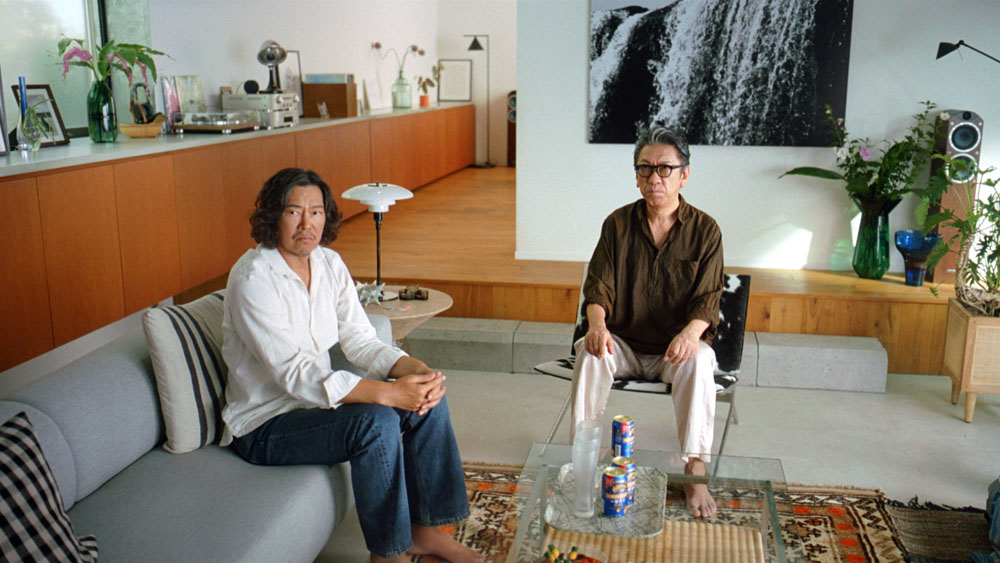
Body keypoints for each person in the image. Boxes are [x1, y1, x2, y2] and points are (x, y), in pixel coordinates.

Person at [220, 168, 483, 563]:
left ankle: (424, 532)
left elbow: (361, 339)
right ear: (273, 215)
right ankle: (387, 553)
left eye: (316, 212)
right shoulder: (253, 278)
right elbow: (296, 374)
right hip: (265, 424)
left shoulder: (328, 263)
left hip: (315, 408)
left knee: (427, 399)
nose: (307, 224)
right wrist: (388, 394)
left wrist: (415, 370)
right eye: (293, 212)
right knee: (375, 421)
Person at [570, 126, 724, 518]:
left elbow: (708, 300)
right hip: (624, 344)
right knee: (590, 353)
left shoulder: (706, 231)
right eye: (645, 168)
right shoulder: (617, 224)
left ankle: (695, 471)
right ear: (636, 176)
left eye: (665, 169)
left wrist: (690, 333)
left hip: (673, 351)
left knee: (701, 359)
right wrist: (597, 326)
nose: (655, 177)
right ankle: (585, 460)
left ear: (684, 175)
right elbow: (598, 288)